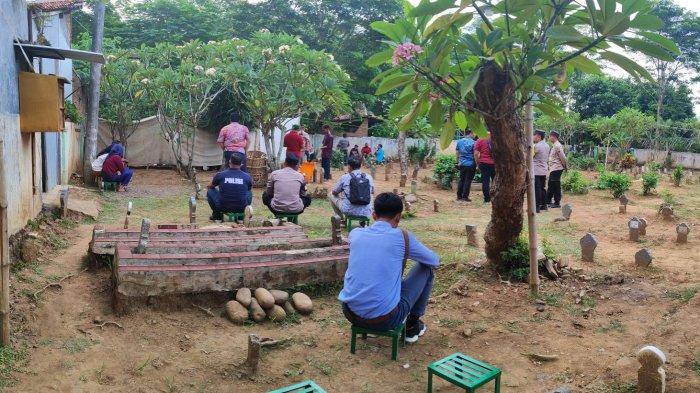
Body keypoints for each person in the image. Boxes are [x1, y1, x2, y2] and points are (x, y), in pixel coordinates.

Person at [338, 192, 439, 343]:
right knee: (426, 268)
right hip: (385, 320)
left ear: (373, 215)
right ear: (398, 217)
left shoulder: (355, 234)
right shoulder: (401, 237)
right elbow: (434, 260)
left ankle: (408, 323)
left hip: (350, 313)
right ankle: (411, 326)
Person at [207, 152, 253, 221]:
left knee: (210, 191)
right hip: (242, 208)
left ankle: (217, 215)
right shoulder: (247, 176)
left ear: (229, 162)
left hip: (223, 207)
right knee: (249, 192)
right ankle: (241, 216)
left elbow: (210, 186)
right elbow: (249, 189)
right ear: (241, 164)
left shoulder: (220, 174)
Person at [330, 156, 374, 220]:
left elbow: (334, 192)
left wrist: (344, 195)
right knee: (370, 194)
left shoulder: (345, 177)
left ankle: (341, 219)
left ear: (349, 166)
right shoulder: (369, 177)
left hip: (349, 210)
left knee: (331, 194)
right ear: (360, 165)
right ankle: (363, 222)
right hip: (366, 211)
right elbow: (372, 191)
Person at [546, 131, 568, 208]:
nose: (549, 138)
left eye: (549, 136)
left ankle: (557, 202)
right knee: (551, 185)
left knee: (555, 185)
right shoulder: (555, 145)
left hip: (557, 168)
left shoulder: (558, 146)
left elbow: (563, 157)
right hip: (553, 168)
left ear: (553, 137)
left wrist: (565, 167)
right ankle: (548, 201)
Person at [455, 130, 476, 201]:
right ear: (471, 133)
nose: (475, 135)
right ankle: (465, 197)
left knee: (462, 179)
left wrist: (457, 162)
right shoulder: (474, 143)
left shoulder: (459, 141)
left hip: (461, 163)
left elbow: (457, 153)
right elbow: (475, 154)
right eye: (474, 133)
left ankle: (459, 196)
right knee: (468, 180)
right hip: (470, 164)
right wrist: (477, 163)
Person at [474, 132, 495, 203]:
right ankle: (495, 197)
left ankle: (487, 199)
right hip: (495, 164)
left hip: (484, 163)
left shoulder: (480, 140)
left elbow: (476, 153)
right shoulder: (496, 139)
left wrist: (477, 163)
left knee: (485, 181)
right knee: (495, 181)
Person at [533, 130, 551, 213]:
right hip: (544, 170)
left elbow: (530, 157)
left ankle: (537, 206)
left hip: (536, 170)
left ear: (539, 136)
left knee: (537, 189)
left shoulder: (536, 146)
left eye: (534, 135)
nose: (533, 137)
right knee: (542, 188)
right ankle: (544, 205)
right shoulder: (547, 146)